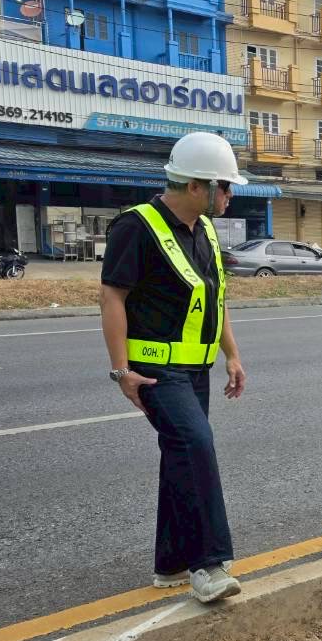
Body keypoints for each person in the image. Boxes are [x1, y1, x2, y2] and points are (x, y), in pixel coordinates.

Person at [100, 132, 248, 604]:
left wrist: (231, 355)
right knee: (195, 445)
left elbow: (214, 298)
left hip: (196, 370)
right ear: (196, 186)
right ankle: (208, 564)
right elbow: (112, 297)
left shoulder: (203, 230)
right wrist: (121, 372)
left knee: (179, 455)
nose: (230, 195)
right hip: (156, 372)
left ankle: (171, 563)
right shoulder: (136, 227)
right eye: (225, 186)